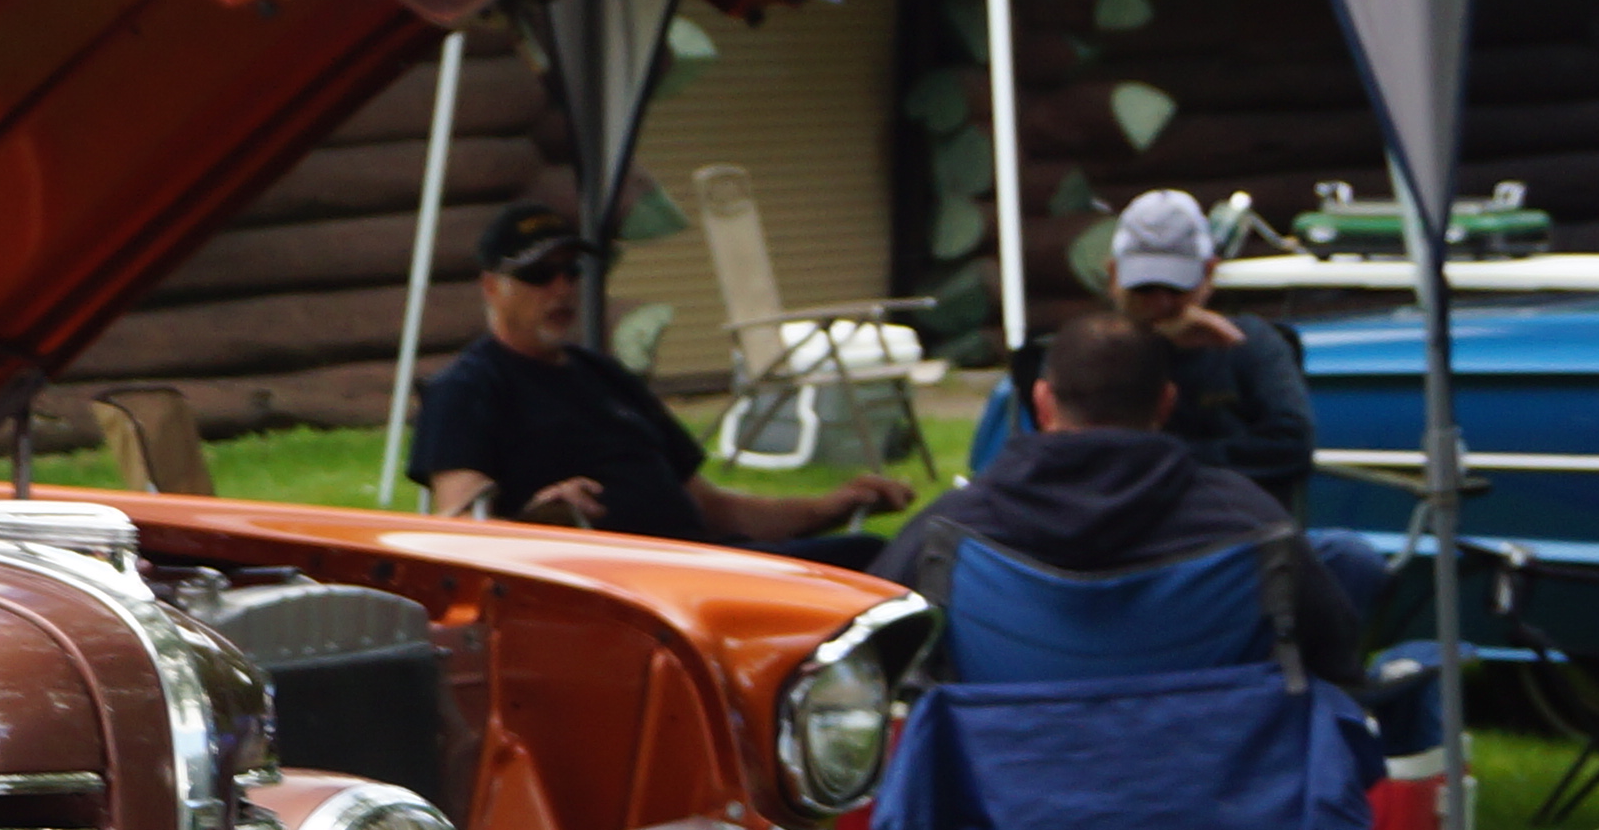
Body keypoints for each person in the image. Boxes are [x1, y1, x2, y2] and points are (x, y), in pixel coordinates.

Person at [883, 310, 1367, 678]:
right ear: (1166, 403)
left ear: (1043, 403)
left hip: (1000, 797)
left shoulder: (948, 535)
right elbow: (1335, 665)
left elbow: (864, 656)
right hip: (1211, 791)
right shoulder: (1252, 527)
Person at [411, 200, 902, 560]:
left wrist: (828, 507)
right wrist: (535, 526)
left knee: (894, 552)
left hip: (711, 561)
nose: (562, 289)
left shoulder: (601, 373)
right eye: (540, 274)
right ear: (492, 287)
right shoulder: (469, 387)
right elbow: (459, 533)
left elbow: (716, 508)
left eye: (572, 272)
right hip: (631, 593)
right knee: (880, 568)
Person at [967, 190, 1326, 528]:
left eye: (1175, 288)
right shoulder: (1087, 349)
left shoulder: (1249, 345)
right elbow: (1059, 451)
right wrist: (1144, 344)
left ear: (1208, 274)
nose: (1161, 304)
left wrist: (1163, 461)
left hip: (1224, 524)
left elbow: (1291, 445)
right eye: (1144, 288)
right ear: (1113, 277)